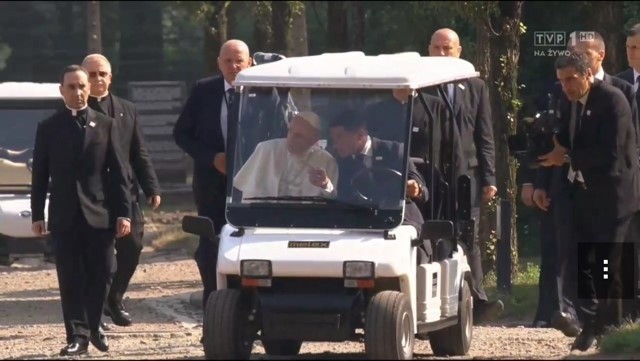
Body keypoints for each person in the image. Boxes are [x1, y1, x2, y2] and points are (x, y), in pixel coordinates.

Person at [534, 31, 640, 335]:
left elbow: (613, 152)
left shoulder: (615, 96)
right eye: (561, 80)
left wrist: (566, 158)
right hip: (582, 194)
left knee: (612, 264)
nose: (564, 87)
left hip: (616, 195)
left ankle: (616, 325)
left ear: (589, 70)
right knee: (584, 259)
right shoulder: (568, 99)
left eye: (570, 80)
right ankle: (589, 321)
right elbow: (563, 141)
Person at [30, 65, 132, 356]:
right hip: (64, 215)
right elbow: (40, 174)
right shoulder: (49, 127)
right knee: (71, 277)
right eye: (71, 87)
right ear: (61, 90)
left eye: (82, 86)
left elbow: (118, 173)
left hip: (100, 213)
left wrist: (123, 213)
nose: (77, 92)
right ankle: (77, 335)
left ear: (90, 89)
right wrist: (38, 213)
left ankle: (96, 321)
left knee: (102, 272)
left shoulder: (106, 124)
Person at [172, 39, 254, 317]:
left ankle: (249, 310)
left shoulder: (266, 90)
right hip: (212, 186)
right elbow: (181, 134)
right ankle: (215, 314)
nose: (233, 66)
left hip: (253, 185)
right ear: (219, 63)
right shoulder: (204, 91)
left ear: (250, 61)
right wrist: (211, 158)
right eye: (228, 61)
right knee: (211, 248)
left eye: (238, 60)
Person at [427, 28, 504, 324]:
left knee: (468, 234)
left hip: (467, 175)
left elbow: (485, 134)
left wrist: (490, 178)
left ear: (459, 51)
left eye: (449, 49)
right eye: (438, 48)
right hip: (430, 173)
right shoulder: (419, 86)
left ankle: (477, 299)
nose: (443, 54)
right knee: (433, 232)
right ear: (429, 49)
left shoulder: (474, 86)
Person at [81, 54, 162, 328]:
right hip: (94, 196)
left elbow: (139, 152)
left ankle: (114, 298)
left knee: (133, 247)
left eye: (102, 73)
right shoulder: (77, 112)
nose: (97, 79)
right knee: (100, 256)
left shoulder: (128, 109)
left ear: (111, 77)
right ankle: (95, 308)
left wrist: (151, 186)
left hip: (126, 193)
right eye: (91, 75)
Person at [328, 109, 428, 234]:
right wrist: (326, 185)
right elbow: (340, 197)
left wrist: (416, 189)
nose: (335, 144)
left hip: (400, 223)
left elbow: (423, 191)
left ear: (360, 135)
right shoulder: (340, 162)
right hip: (358, 226)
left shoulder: (394, 151)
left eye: (339, 137)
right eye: (333, 138)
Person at [233, 111, 338, 200]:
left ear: (314, 140)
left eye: (299, 136)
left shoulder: (326, 161)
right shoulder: (266, 149)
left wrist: (325, 185)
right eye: (290, 131)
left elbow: (331, 197)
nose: (290, 139)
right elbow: (242, 190)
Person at [615, 23, 640, 323]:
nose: (631, 53)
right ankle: (621, 312)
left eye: (636, 48)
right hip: (623, 179)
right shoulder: (618, 84)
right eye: (628, 48)